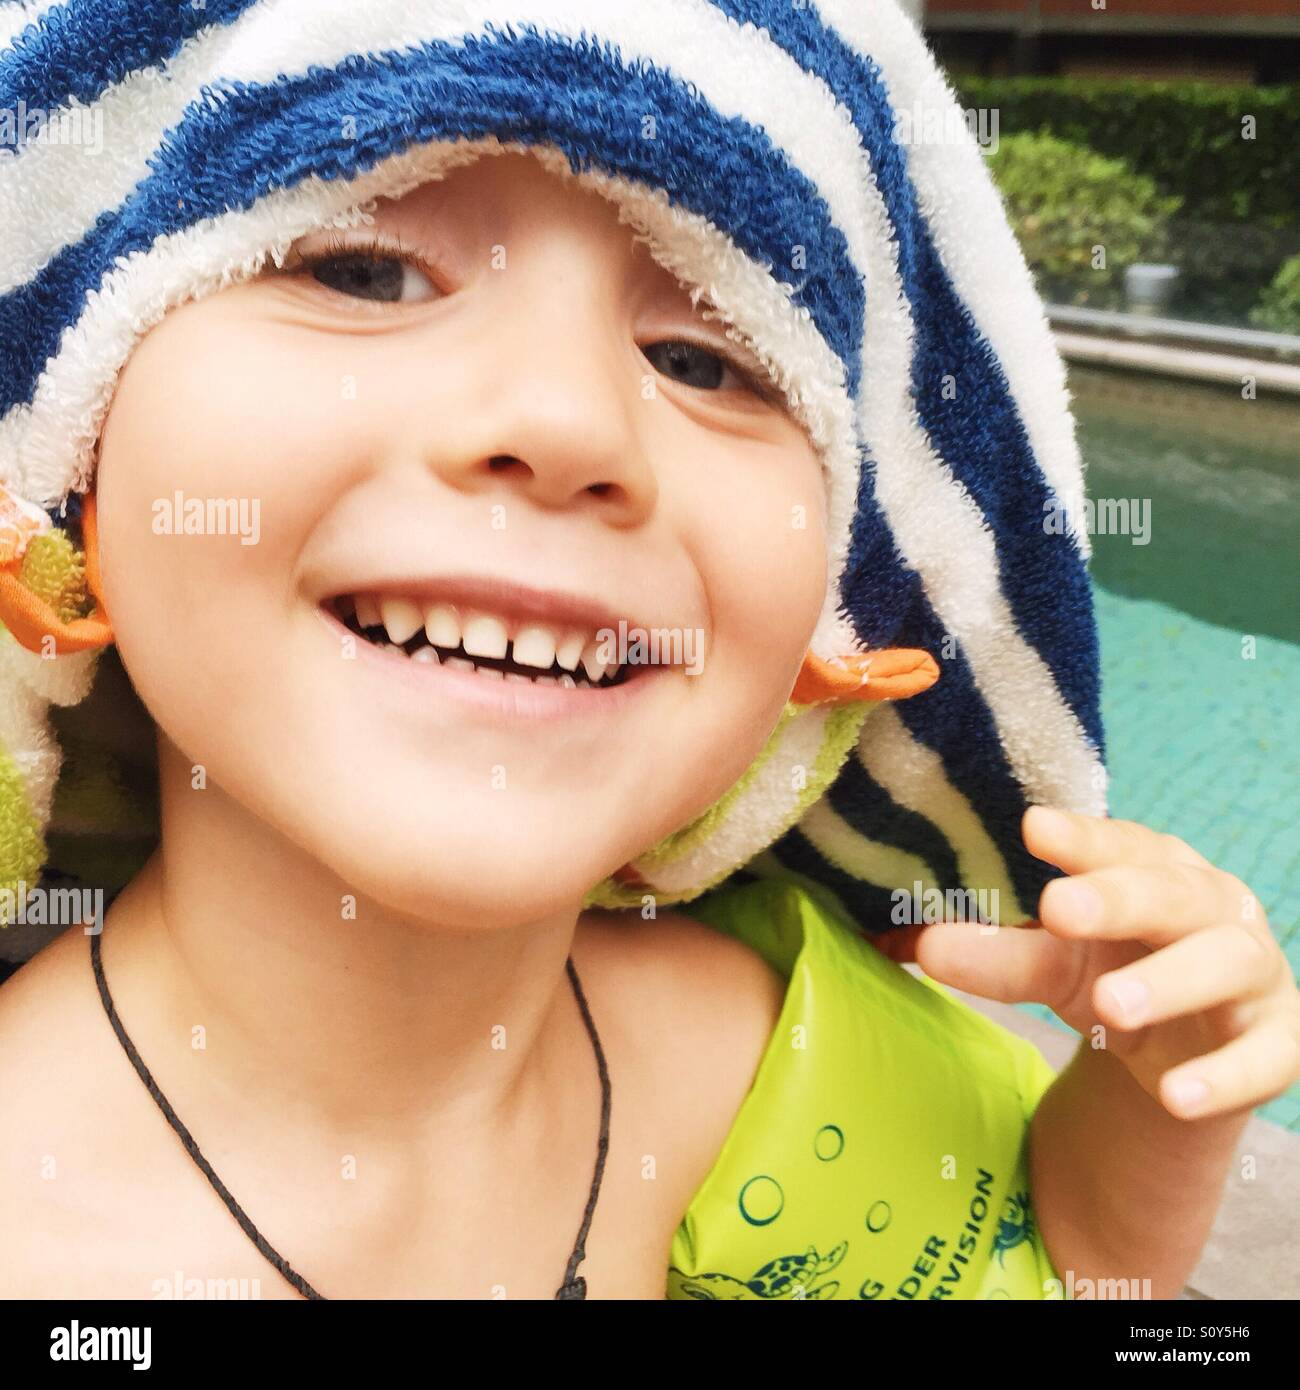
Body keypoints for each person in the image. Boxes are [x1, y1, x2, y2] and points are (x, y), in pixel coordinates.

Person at [0, 0, 1295, 1302]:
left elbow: (1061, 1258)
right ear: (66, 461)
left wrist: (1153, 1101)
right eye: (364, 272)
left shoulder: (749, 1039)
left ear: (825, 641)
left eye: (703, 358)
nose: (567, 421)